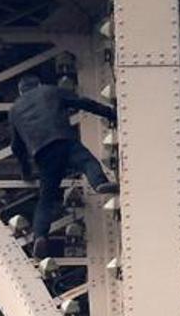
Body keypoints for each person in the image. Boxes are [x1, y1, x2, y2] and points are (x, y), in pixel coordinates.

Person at [10, 75, 119, 258]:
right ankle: (99, 183)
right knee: (87, 162)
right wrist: (110, 113)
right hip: (63, 141)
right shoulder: (50, 91)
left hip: (42, 154)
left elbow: (16, 146)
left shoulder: (14, 110)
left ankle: (40, 236)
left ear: (20, 91)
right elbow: (82, 103)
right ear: (39, 84)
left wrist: (26, 172)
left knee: (46, 199)